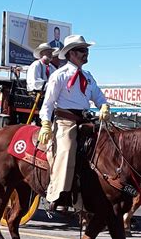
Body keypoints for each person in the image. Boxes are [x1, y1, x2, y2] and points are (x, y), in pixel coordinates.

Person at [38, 34, 110, 211]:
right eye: (81, 50)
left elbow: (99, 97)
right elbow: (47, 103)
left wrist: (104, 107)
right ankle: (57, 194)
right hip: (65, 122)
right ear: (70, 53)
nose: (86, 53)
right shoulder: (59, 75)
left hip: (85, 120)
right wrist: (46, 124)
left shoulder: (88, 76)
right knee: (67, 149)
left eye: (86, 50)